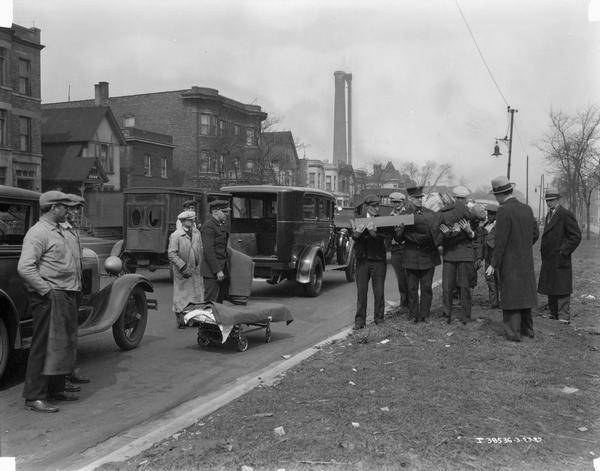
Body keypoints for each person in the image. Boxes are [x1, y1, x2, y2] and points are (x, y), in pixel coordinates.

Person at [18, 191, 83, 412]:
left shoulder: (59, 230)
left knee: (61, 345)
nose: (68, 209)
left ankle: (55, 389)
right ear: (53, 207)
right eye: (64, 206)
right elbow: (25, 267)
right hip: (50, 295)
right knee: (43, 346)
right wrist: (46, 290)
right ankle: (34, 396)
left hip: (65, 292)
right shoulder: (38, 233)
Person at [486, 176, 539, 342]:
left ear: (499, 195)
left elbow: (500, 241)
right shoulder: (527, 209)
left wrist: (493, 264)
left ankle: (513, 333)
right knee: (524, 295)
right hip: (526, 260)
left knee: (511, 296)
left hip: (510, 261)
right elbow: (535, 234)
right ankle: (528, 330)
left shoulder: (503, 210)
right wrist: (523, 246)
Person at [396, 186, 442, 323]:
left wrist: (414, 236)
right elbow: (398, 239)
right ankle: (413, 314)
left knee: (426, 287)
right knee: (411, 287)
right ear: (410, 199)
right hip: (411, 256)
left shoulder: (431, 214)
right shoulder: (403, 216)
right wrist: (400, 232)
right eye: (416, 198)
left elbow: (435, 234)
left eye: (421, 197)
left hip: (428, 256)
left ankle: (424, 314)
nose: (419, 200)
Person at [537, 190, 581, 324]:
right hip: (549, 258)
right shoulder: (549, 215)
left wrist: (564, 251)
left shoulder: (565, 214)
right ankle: (553, 313)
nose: (548, 202)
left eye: (551, 200)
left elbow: (576, 236)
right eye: (547, 200)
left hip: (560, 258)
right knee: (551, 285)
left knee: (562, 287)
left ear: (558, 200)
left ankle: (563, 316)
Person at [62, 194, 90, 387]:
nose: (75, 212)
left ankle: (69, 370)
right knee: (63, 334)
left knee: (71, 332)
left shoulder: (72, 231)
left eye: (78, 209)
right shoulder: (59, 230)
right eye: (72, 208)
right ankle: (62, 375)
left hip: (75, 286)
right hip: (64, 287)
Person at [439, 186, 477, 324]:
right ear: (454, 199)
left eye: (463, 199)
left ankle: (466, 316)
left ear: (466, 200)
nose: (461, 201)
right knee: (447, 287)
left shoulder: (470, 214)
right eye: (458, 198)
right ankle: (446, 315)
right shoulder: (446, 213)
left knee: (464, 287)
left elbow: (476, 235)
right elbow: (440, 231)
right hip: (450, 254)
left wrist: (469, 231)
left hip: (465, 254)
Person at [351, 194, 387, 329]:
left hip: (378, 260)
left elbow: (384, 239)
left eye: (378, 205)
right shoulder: (358, 220)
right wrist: (358, 234)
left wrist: (373, 233)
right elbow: (354, 237)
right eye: (374, 206)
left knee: (379, 291)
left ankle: (379, 318)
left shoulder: (382, 221)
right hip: (362, 260)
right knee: (361, 292)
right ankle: (360, 321)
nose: (377, 208)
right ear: (367, 207)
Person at [168, 210, 204, 328]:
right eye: (189, 220)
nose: (192, 222)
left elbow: (200, 248)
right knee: (181, 296)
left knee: (195, 294)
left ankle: (194, 318)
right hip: (182, 271)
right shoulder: (176, 235)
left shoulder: (197, 233)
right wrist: (182, 267)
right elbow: (172, 254)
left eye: (193, 220)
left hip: (195, 269)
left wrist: (199, 263)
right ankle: (181, 320)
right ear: (183, 221)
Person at [201, 200, 231, 303]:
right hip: (212, 272)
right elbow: (209, 251)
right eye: (225, 212)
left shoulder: (219, 224)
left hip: (222, 269)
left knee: (219, 301)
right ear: (216, 212)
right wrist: (217, 270)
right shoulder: (209, 226)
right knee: (210, 302)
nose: (227, 214)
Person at [388, 192, 408, 311]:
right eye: (394, 202)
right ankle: (404, 304)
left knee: (409, 277)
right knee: (400, 278)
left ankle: (412, 303)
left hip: (407, 249)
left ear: (403, 202)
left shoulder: (408, 214)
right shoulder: (389, 217)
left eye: (399, 202)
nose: (396, 204)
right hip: (395, 250)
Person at [482, 203, 500, 309]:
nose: (489, 216)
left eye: (492, 214)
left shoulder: (499, 226)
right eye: (488, 214)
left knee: (499, 278)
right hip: (488, 256)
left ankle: (501, 301)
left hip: (497, 256)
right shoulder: (485, 225)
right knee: (490, 278)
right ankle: (493, 302)